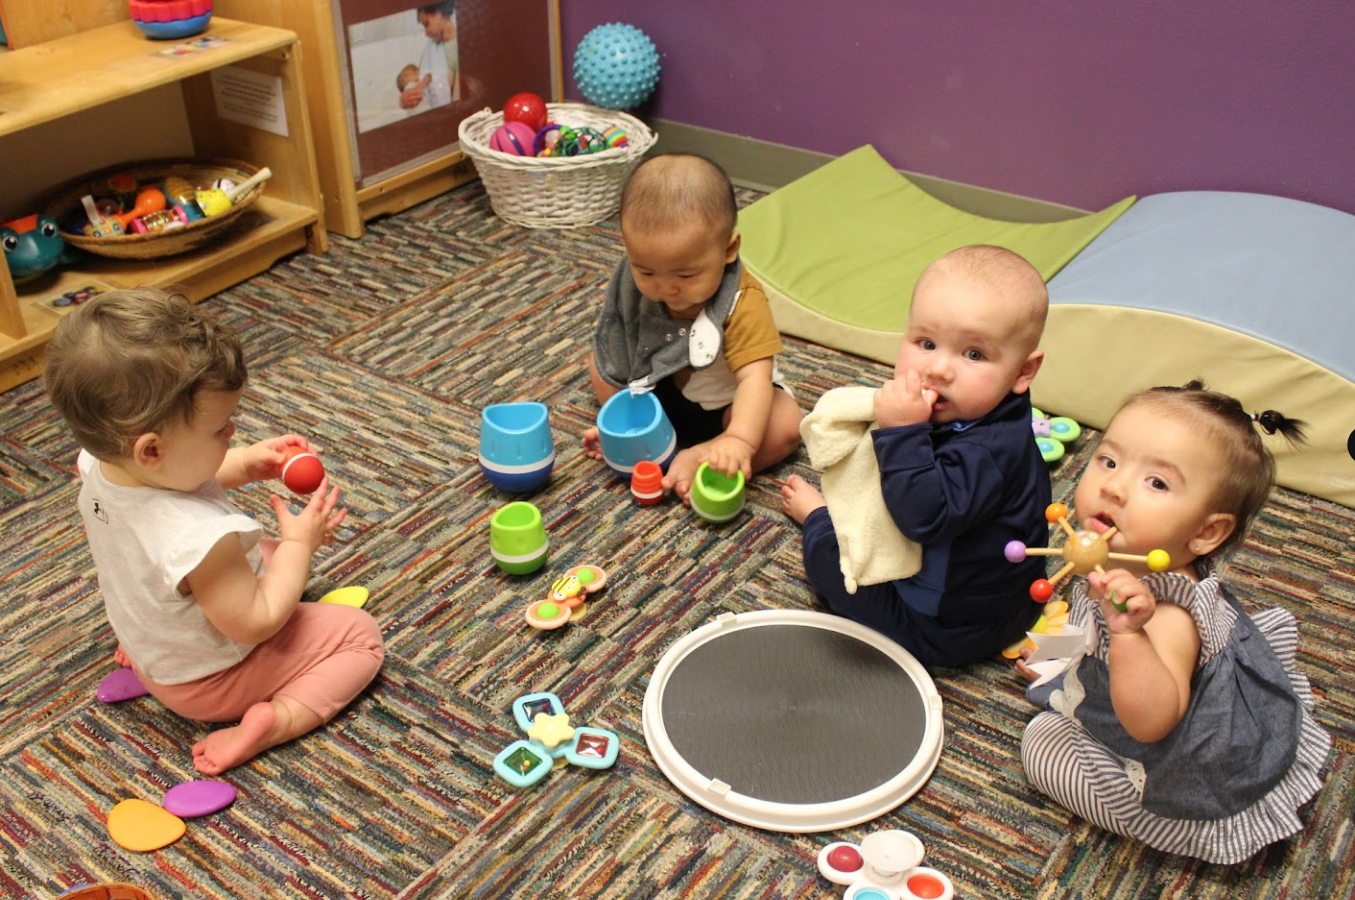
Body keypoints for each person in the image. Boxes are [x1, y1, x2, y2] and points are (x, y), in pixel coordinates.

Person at [43, 288, 384, 776]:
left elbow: (168, 488)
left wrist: (245, 462)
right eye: (221, 429)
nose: (232, 434)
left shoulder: (100, 461)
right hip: (210, 681)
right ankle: (278, 719)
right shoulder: (199, 539)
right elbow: (256, 620)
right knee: (358, 637)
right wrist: (299, 545)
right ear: (152, 451)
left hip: (151, 647)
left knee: (257, 552)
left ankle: (152, 652)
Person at [1016, 381, 1332, 864]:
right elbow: (1088, 616)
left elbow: (1150, 722)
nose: (1114, 486)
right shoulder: (1126, 561)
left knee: (1041, 745)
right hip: (1140, 658)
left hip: (1180, 760)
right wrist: (1057, 651)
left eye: (1157, 482)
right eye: (1109, 460)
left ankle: (1162, 819)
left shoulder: (1168, 618)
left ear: (1206, 532)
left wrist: (1127, 635)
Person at [781, 244, 1051, 666]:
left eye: (974, 354)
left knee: (828, 564)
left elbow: (923, 517)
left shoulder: (988, 454)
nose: (939, 368)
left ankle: (818, 521)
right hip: (1008, 596)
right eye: (926, 342)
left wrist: (903, 431)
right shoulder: (991, 414)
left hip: (944, 628)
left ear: (1023, 372)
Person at [583, 153, 803, 502]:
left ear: (729, 249)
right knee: (598, 362)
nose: (666, 288)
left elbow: (754, 380)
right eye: (646, 272)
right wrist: (620, 423)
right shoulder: (636, 282)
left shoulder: (742, 301)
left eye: (686, 275)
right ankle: (635, 433)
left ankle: (702, 456)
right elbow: (620, 345)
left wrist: (739, 440)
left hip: (727, 407)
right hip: (656, 392)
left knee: (787, 424)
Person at [399, 2, 461, 110]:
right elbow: (419, 82)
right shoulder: (430, 48)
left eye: (427, 24)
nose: (426, 33)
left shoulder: (464, 42)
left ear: (438, 13)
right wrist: (403, 101)